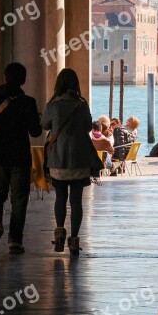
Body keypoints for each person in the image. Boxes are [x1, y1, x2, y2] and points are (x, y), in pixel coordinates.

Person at [0, 62, 42, 254]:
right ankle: (15, 241)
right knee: (19, 198)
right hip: (19, 155)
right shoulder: (28, 102)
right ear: (23, 80)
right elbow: (35, 132)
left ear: (5, 77)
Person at [41, 68, 98, 256]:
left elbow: (44, 125)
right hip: (80, 159)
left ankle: (59, 233)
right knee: (76, 201)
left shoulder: (53, 105)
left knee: (60, 198)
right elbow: (89, 127)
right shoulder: (82, 104)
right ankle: (74, 240)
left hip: (58, 159)